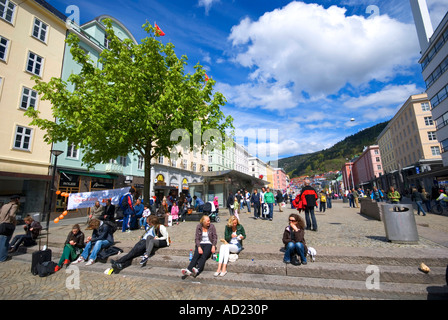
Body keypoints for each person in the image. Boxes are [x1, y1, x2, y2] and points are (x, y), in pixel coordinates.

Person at [0, 195, 20, 262]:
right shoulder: (14, 206)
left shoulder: (5, 205)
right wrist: (14, 222)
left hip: (2, 224)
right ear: (17, 199)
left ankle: (2, 256)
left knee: (1, 240)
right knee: (5, 242)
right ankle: (2, 257)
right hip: (8, 225)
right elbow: (12, 215)